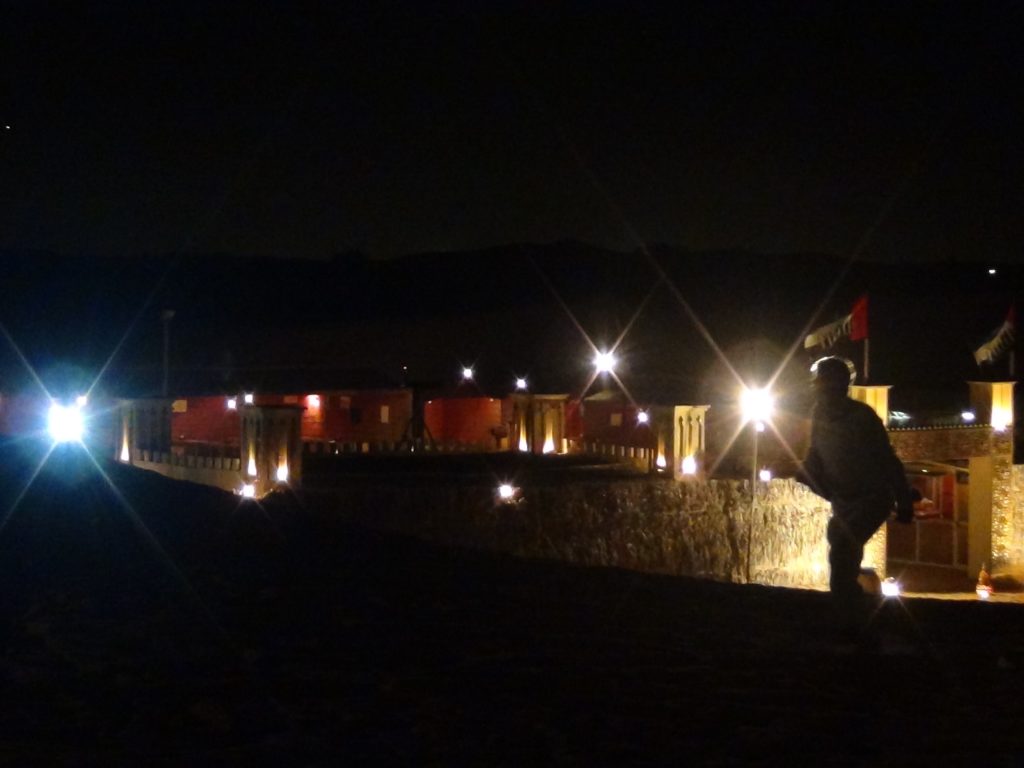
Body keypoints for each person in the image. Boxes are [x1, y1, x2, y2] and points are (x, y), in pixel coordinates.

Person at [801, 356, 914, 642]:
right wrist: (807, 472)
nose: (821, 391)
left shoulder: (862, 417)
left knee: (842, 550)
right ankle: (859, 605)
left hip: (871, 499)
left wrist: (903, 500)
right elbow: (816, 453)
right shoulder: (819, 415)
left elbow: (888, 460)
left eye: (825, 385)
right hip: (844, 500)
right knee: (840, 545)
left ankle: (850, 624)